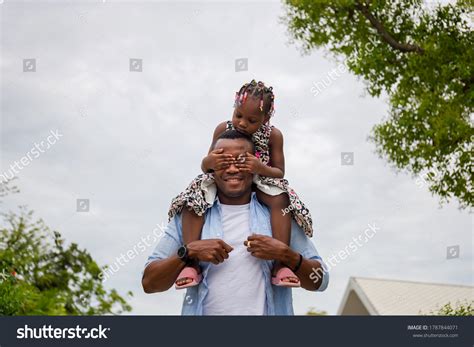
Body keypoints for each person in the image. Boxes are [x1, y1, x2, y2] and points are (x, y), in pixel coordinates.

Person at [142, 130, 329, 315]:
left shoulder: (279, 215)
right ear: (211, 168)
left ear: (255, 166)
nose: (232, 169)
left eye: (241, 161)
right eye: (223, 163)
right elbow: (149, 283)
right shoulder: (192, 213)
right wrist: (188, 252)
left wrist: (285, 254)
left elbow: (320, 280)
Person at [169, 80, 314, 289]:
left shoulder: (273, 135)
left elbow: (279, 172)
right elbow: (206, 164)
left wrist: (260, 167)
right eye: (238, 115)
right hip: (226, 178)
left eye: (252, 120)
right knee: (194, 199)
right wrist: (210, 162)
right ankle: (191, 264)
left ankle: (281, 265)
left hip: (260, 179)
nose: (242, 123)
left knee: (281, 199)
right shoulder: (222, 129)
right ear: (234, 107)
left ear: (266, 118)